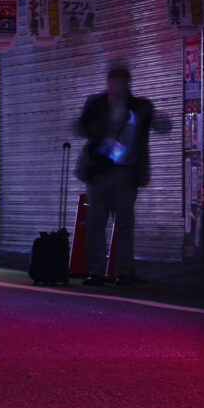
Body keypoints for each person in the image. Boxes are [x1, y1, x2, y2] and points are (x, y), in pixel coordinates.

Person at [74, 61, 170, 286]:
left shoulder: (139, 106)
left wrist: (152, 117)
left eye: (121, 82)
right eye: (113, 82)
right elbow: (79, 128)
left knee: (124, 224)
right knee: (97, 224)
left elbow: (163, 126)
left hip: (126, 173)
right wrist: (92, 127)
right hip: (99, 171)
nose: (116, 86)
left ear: (128, 83)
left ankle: (123, 272)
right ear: (107, 83)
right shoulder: (96, 104)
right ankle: (96, 271)